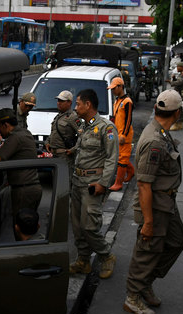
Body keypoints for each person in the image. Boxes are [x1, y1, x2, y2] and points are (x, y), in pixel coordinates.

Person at [123, 90, 183, 314]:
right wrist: (148, 221)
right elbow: (143, 185)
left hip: (166, 201)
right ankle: (133, 296)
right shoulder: (154, 141)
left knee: (177, 241)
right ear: (177, 112)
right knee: (147, 251)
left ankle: (145, 282)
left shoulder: (162, 133)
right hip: (156, 206)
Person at [68, 88, 118, 279]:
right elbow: (83, 149)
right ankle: (83, 261)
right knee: (77, 226)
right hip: (78, 182)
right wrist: (70, 151)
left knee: (90, 226)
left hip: (92, 184)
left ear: (88, 104)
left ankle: (106, 255)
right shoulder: (84, 126)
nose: (76, 107)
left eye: (78, 103)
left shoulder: (106, 128)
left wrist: (103, 184)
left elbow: (112, 158)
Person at [0, 108, 42, 234]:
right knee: (28, 230)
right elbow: (2, 151)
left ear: (5, 125)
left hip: (23, 191)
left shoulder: (15, 137)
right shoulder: (24, 133)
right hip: (32, 188)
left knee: (21, 232)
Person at [107, 76, 134, 192]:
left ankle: (119, 183)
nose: (112, 91)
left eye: (114, 88)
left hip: (124, 135)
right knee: (119, 157)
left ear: (120, 87)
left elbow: (128, 120)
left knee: (122, 159)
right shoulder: (117, 101)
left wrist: (124, 135)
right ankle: (131, 171)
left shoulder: (127, 102)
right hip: (117, 133)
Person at [46, 90, 78, 173]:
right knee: (56, 180)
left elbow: (83, 135)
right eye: (58, 100)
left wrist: (73, 149)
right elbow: (53, 132)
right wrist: (47, 142)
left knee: (65, 180)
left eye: (62, 101)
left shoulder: (73, 117)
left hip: (65, 156)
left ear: (69, 103)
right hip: (54, 155)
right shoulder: (58, 116)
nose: (59, 103)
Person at [169, 61, 183, 131]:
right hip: (178, 92)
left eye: (178, 67)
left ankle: (178, 123)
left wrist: (171, 82)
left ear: (182, 67)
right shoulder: (181, 74)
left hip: (181, 93)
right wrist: (174, 78)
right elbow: (178, 81)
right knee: (178, 108)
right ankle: (179, 123)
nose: (177, 68)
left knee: (177, 107)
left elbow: (180, 82)